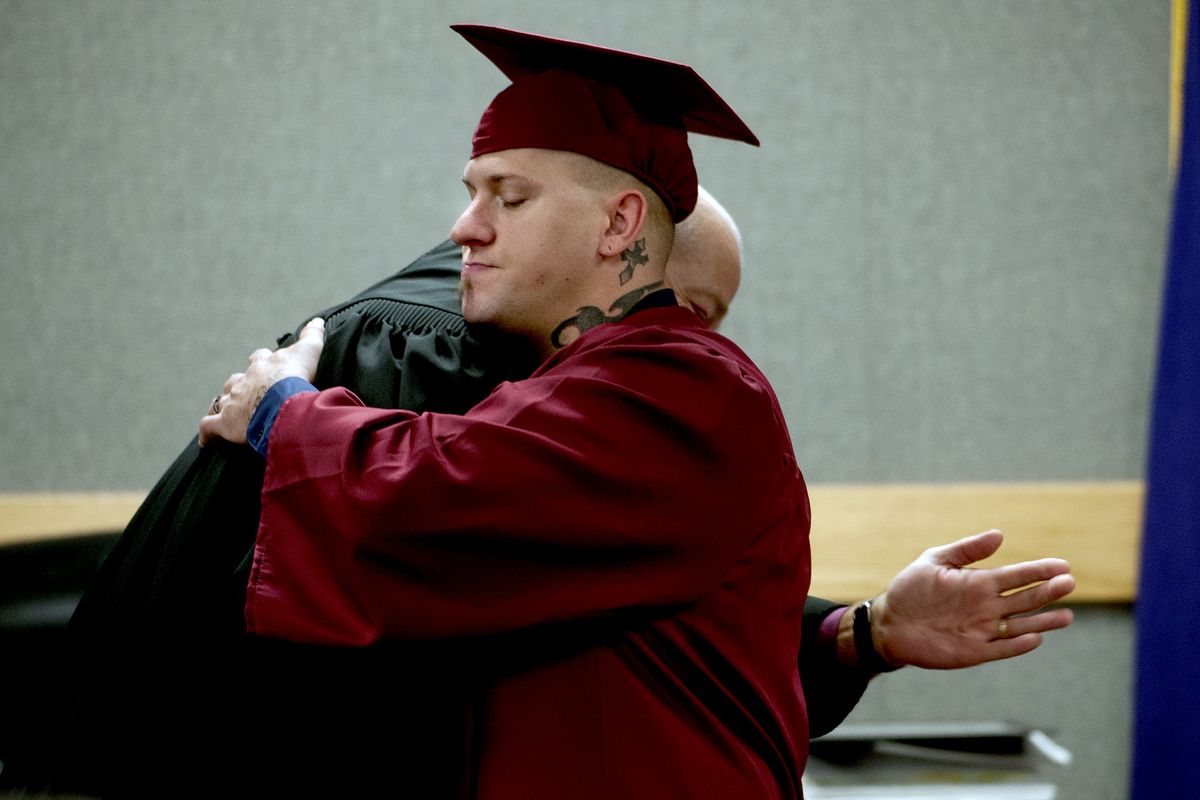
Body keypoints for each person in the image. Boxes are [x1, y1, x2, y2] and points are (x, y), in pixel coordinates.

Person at [196, 25, 1072, 799]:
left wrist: (284, 411)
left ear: (619, 225)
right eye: (472, 191)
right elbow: (659, 657)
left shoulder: (686, 386)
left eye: (509, 195)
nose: (464, 227)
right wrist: (866, 633)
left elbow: (447, 492)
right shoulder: (563, 388)